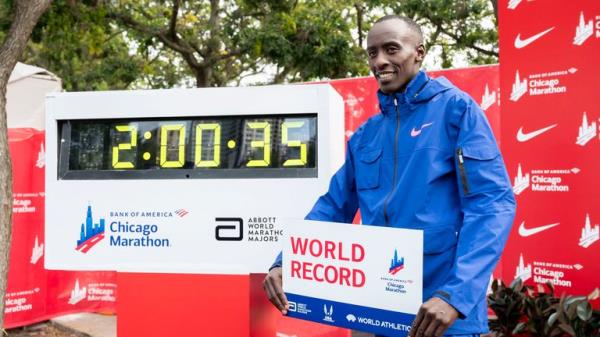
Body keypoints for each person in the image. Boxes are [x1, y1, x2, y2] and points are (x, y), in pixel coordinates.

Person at [263, 14, 516, 337]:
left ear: (419, 52)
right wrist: (287, 261)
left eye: (391, 49)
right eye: (372, 53)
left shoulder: (456, 110)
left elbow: (491, 205)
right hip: (374, 312)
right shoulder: (366, 135)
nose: (380, 60)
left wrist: (456, 295)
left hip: (442, 315)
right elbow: (332, 206)